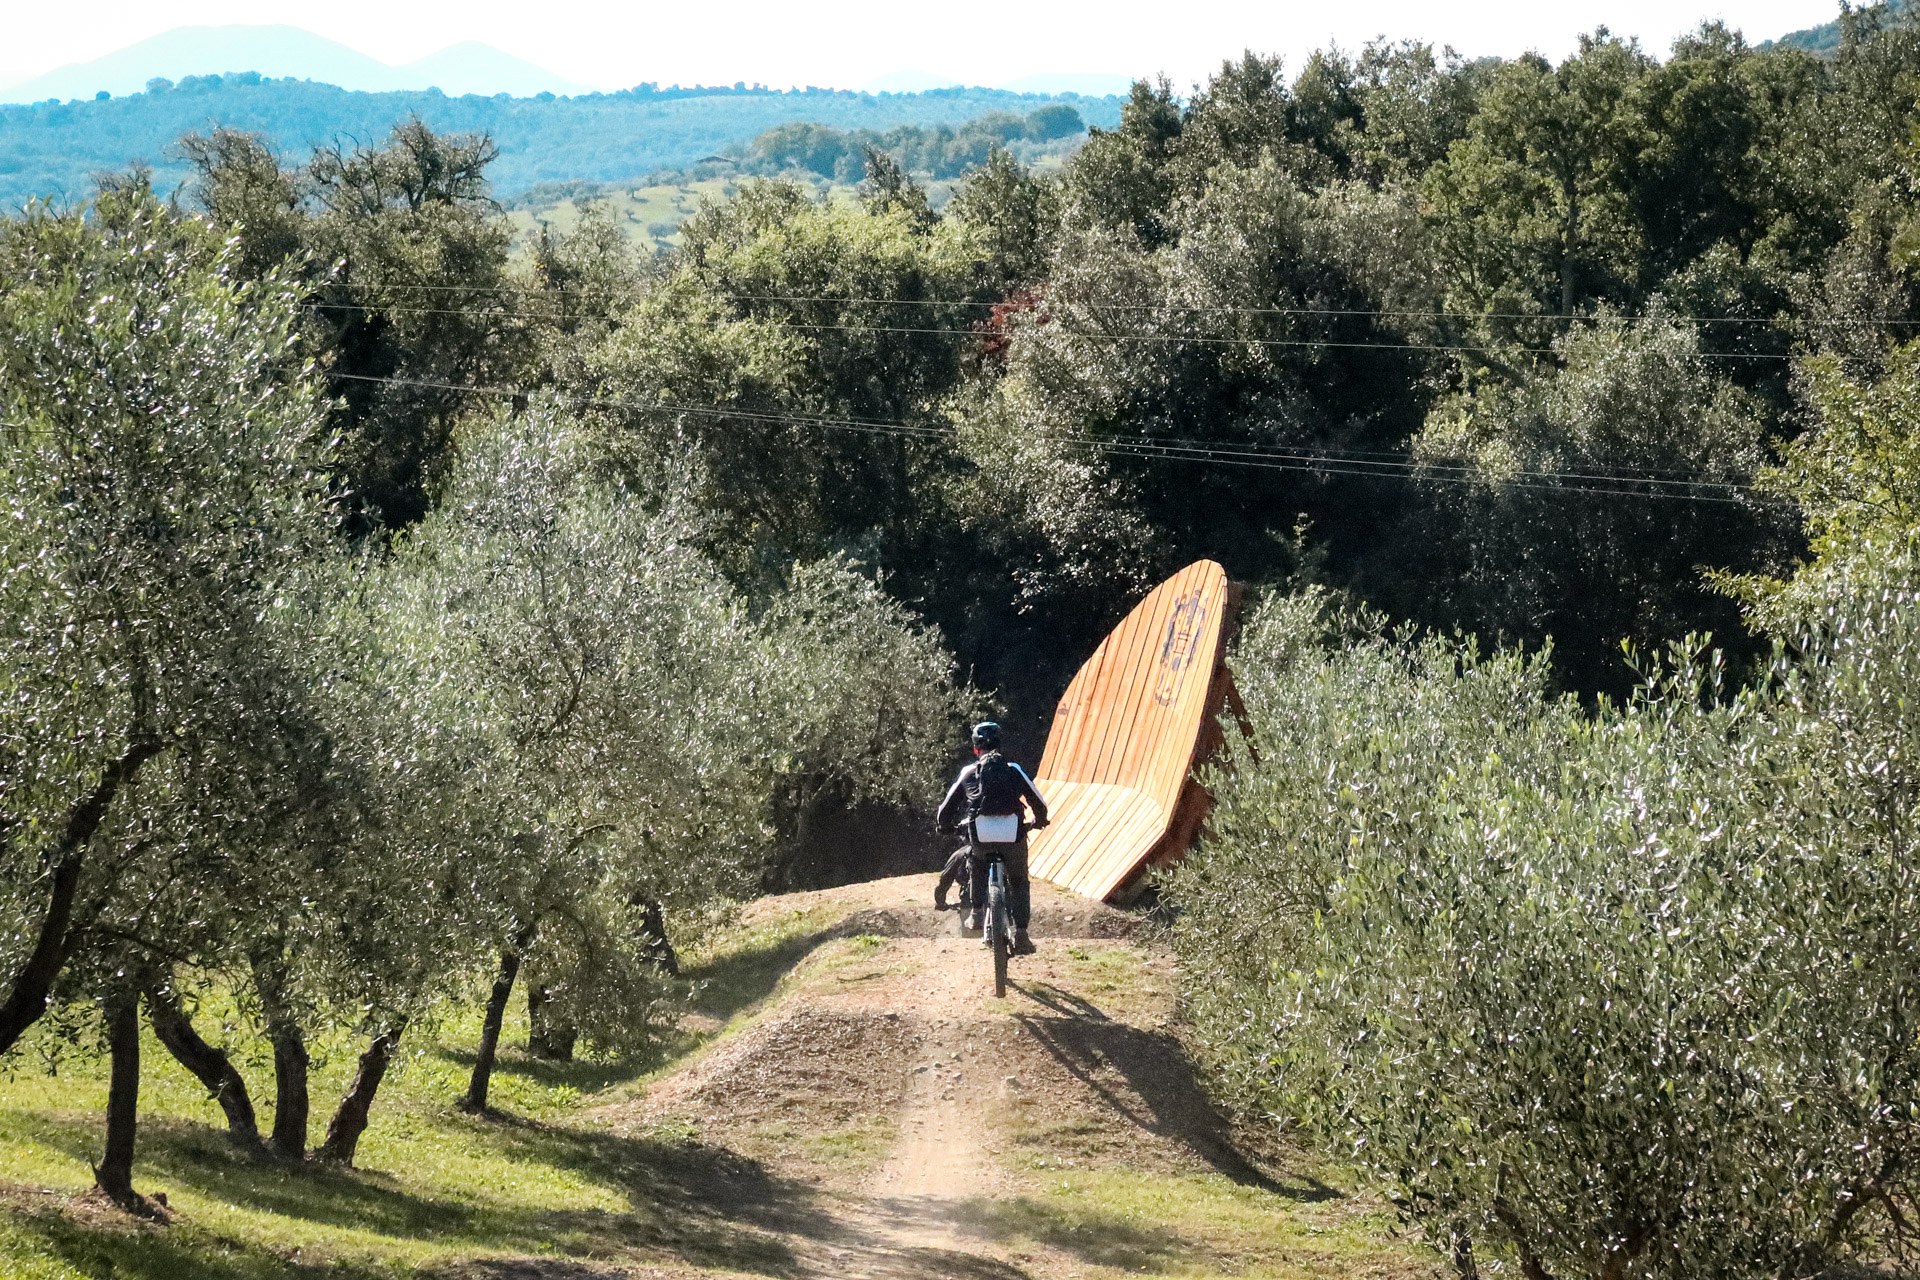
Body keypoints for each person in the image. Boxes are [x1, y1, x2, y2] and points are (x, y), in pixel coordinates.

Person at [934, 721, 1048, 954]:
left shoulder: (969, 772)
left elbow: (945, 810)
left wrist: (945, 827)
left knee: (977, 861)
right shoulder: (1013, 769)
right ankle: (1022, 934)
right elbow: (1039, 802)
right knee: (1018, 880)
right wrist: (1039, 821)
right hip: (1012, 835)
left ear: (976, 749)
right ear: (1000, 744)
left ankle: (976, 913)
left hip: (981, 836)